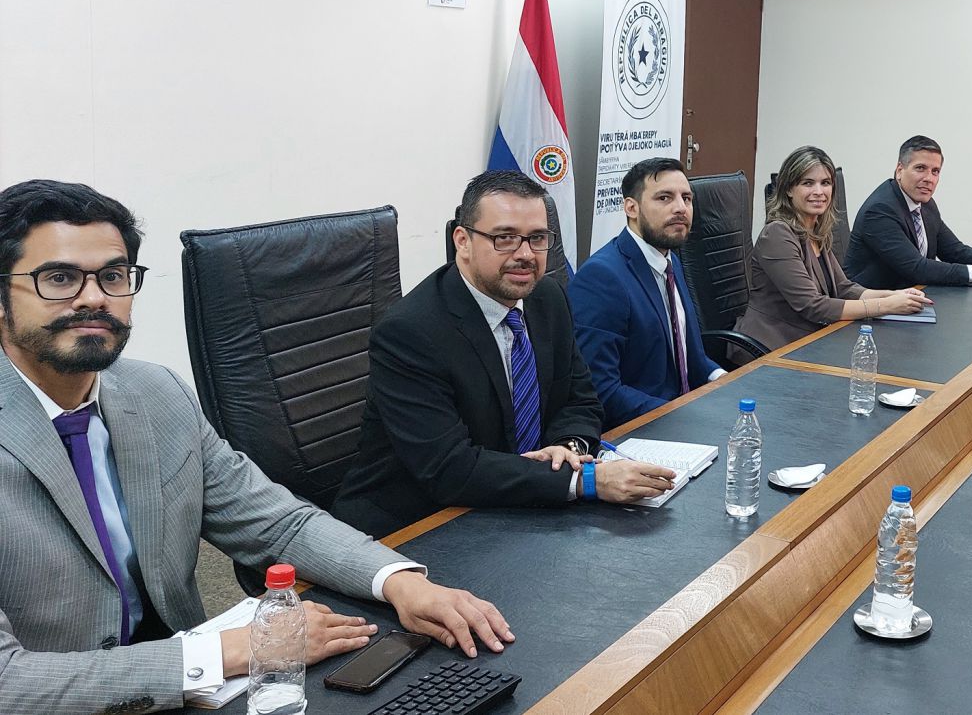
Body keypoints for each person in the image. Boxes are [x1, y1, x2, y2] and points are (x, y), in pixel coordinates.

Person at [0, 180, 513, 715]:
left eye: (112, 276)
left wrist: (398, 581)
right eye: (58, 278)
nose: (94, 298)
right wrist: (221, 653)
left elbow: (276, 522)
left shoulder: (156, 394)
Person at [336, 170, 676, 538]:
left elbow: (580, 400)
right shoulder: (410, 333)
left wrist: (566, 449)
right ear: (462, 241)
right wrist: (584, 480)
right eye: (505, 238)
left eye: (537, 238)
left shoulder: (548, 299)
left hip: (515, 508)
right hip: (416, 526)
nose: (526, 255)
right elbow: (449, 469)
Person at [568, 158, 723, 427]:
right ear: (631, 207)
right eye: (664, 198)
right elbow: (601, 389)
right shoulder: (602, 277)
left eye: (687, 198)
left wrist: (726, 381)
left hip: (678, 417)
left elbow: (691, 359)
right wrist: (684, 415)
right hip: (636, 431)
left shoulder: (670, 259)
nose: (680, 208)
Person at [735, 146, 929, 351]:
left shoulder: (816, 229)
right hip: (772, 348)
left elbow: (844, 288)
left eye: (825, 183)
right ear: (789, 189)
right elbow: (813, 306)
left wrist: (895, 295)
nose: (819, 192)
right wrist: (886, 307)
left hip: (810, 341)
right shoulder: (776, 234)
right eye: (808, 183)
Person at [843, 135, 972, 289]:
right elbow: (917, 268)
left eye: (935, 171)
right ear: (899, 170)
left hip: (910, 296)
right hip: (869, 307)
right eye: (920, 168)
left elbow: (952, 249)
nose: (929, 179)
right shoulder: (880, 210)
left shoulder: (925, 203)